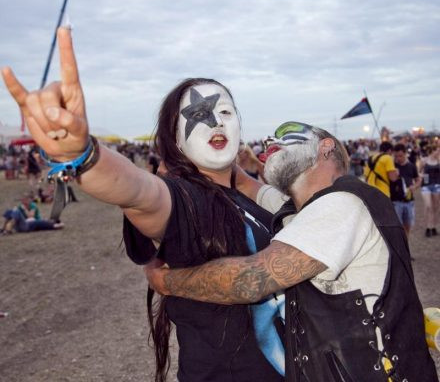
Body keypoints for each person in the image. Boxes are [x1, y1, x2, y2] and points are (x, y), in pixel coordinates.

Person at [1, 27, 284, 382]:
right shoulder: (186, 200)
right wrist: (83, 155)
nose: (216, 121)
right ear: (175, 140)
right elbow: (137, 192)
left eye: (225, 111)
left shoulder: (256, 195)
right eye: (198, 115)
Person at [146, 121, 438, 382]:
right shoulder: (301, 209)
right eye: (267, 141)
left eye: (285, 132)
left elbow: (251, 279)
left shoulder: (343, 203)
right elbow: (249, 185)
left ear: (325, 147)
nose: (271, 139)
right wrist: (209, 154)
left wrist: (166, 281)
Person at [390, 143, 421, 239]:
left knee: (407, 227)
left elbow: (418, 179)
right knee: (398, 228)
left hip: (409, 201)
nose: (398, 158)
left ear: (405, 154)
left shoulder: (411, 166)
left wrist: (414, 187)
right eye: (396, 156)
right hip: (396, 201)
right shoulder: (392, 166)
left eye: (400, 156)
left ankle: (406, 249)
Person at [419, 144, 440, 237]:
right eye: (438, 151)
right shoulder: (424, 160)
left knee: (435, 207)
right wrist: (421, 175)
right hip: (426, 186)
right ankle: (428, 227)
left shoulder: (439, 160)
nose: (439, 152)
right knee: (428, 206)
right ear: (433, 150)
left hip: (437, 185)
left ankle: (433, 227)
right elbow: (418, 172)